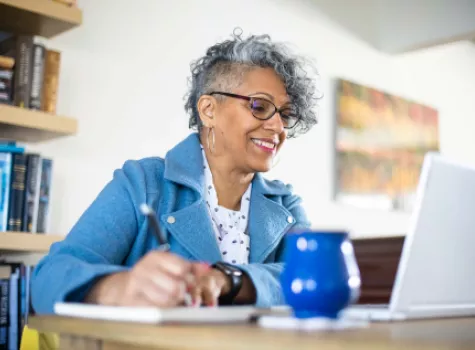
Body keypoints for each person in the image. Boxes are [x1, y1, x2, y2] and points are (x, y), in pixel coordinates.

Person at [30, 29, 320, 314]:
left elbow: (315, 279)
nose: (278, 127)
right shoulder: (143, 183)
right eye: (260, 106)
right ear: (208, 110)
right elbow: (47, 280)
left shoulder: (286, 205)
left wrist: (230, 279)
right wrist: (120, 287)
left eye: (284, 114)